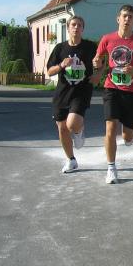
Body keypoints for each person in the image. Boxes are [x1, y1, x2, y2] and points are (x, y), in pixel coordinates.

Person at [92, 4, 133, 185]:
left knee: (128, 136)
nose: (127, 19)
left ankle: (128, 134)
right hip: (112, 88)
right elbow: (98, 60)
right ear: (118, 19)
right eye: (124, 16)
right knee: (110, 128)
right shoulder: (107, 39)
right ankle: (111, 168)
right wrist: (96, 63)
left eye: (130, 17)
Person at [46, 16, 99, 174]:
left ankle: (78, 131)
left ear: (83, 29)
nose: (76, 27)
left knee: (72, 123)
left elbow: (102, 63)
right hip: (63, 92)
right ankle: (71, 160)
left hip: (81, 91)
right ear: (68, 28)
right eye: (73, 25)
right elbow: (49, 71)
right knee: (62, 128)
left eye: (79, 25)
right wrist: (61, 65)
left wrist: (98, 74)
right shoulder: (60, 48)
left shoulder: (90, 47)